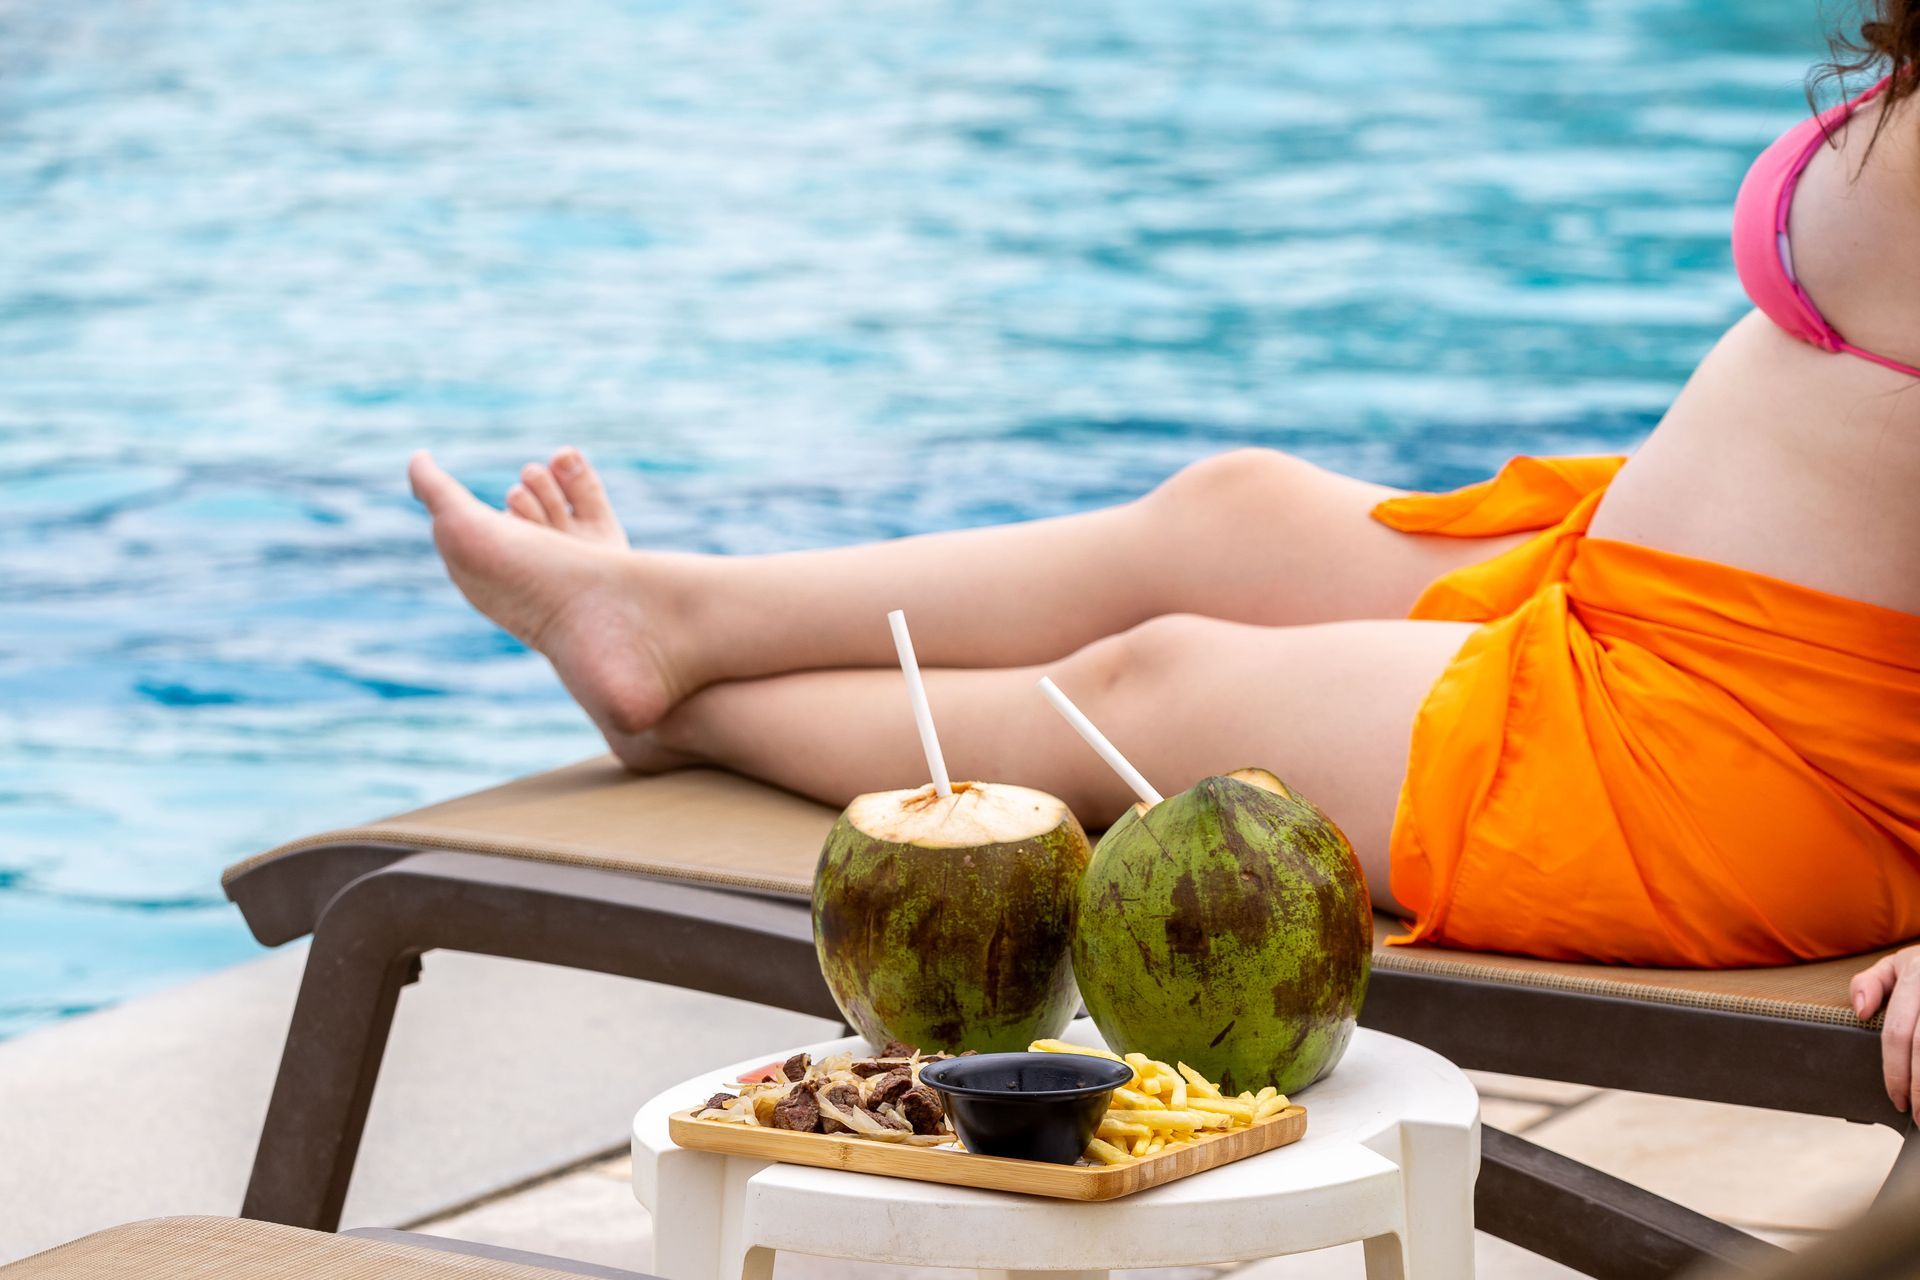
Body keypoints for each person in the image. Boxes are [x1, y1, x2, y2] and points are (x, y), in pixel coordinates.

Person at [405, 8, 1920, 1109]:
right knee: (1232, 512)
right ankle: (669, 614)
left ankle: (673, 705)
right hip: (1656, 595)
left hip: (1747, 752)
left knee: (1156, 694)